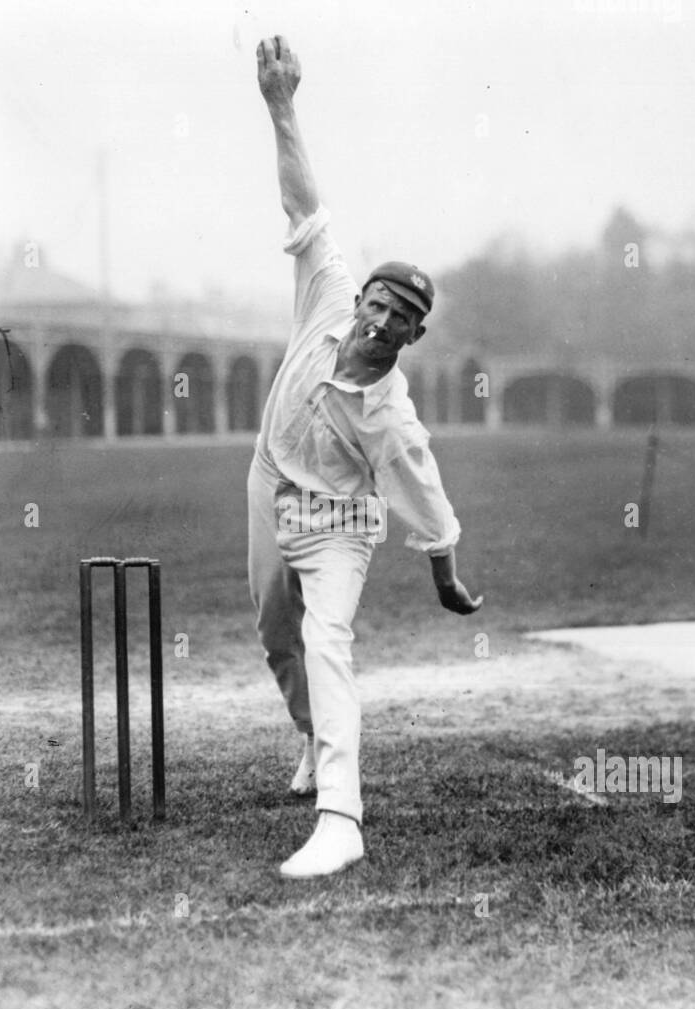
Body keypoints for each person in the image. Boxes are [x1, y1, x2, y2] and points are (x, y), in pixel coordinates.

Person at [249, 36, 483, 879]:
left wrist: (445, 578)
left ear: (415, 336)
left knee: (326, 639)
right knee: (276, 633)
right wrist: (281, 105)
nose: (382, 321)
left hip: (341, 523)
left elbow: (429, 501)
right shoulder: (329, 293)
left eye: (402, 320)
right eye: (380, 304)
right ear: (365, 301)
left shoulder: (393, 420)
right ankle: (312, 736)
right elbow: (305, 205)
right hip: (271, 477)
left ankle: (341, 819)